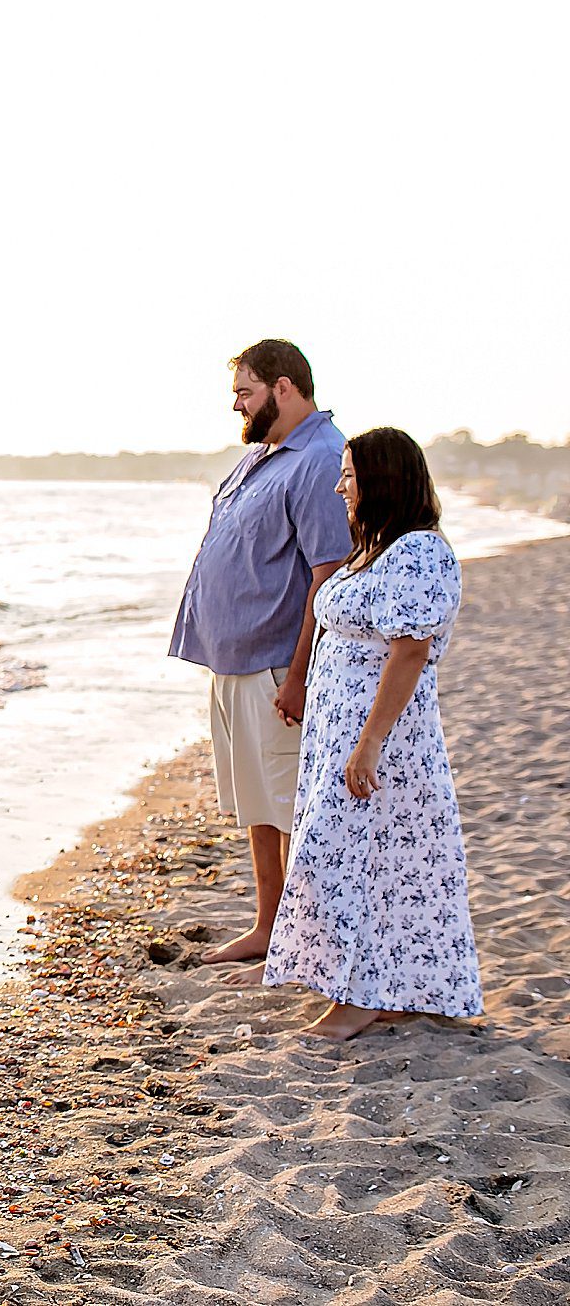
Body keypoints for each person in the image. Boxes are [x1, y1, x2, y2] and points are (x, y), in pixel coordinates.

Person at [256, 428, 480, 1038]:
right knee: (365, 859)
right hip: (340, 735)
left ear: (382, 480)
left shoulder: (419, 553)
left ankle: (360, 996)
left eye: (350, 474)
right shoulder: (375, 552)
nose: (340, 486)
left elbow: (410, 651)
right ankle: (383, 991)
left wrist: (370, 743)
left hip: (386, 740)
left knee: (357, 858)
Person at [170, 340, 354, 964]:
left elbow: (327, 573)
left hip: (277, 663)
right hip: (236, 661)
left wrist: (299, 673)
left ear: (283, 387)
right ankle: (270, 928)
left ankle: (307, 940)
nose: (237, 407)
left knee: (287, 800)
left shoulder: (322, 457)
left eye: (245, 393)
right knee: (258, 800)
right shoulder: (261, 458)